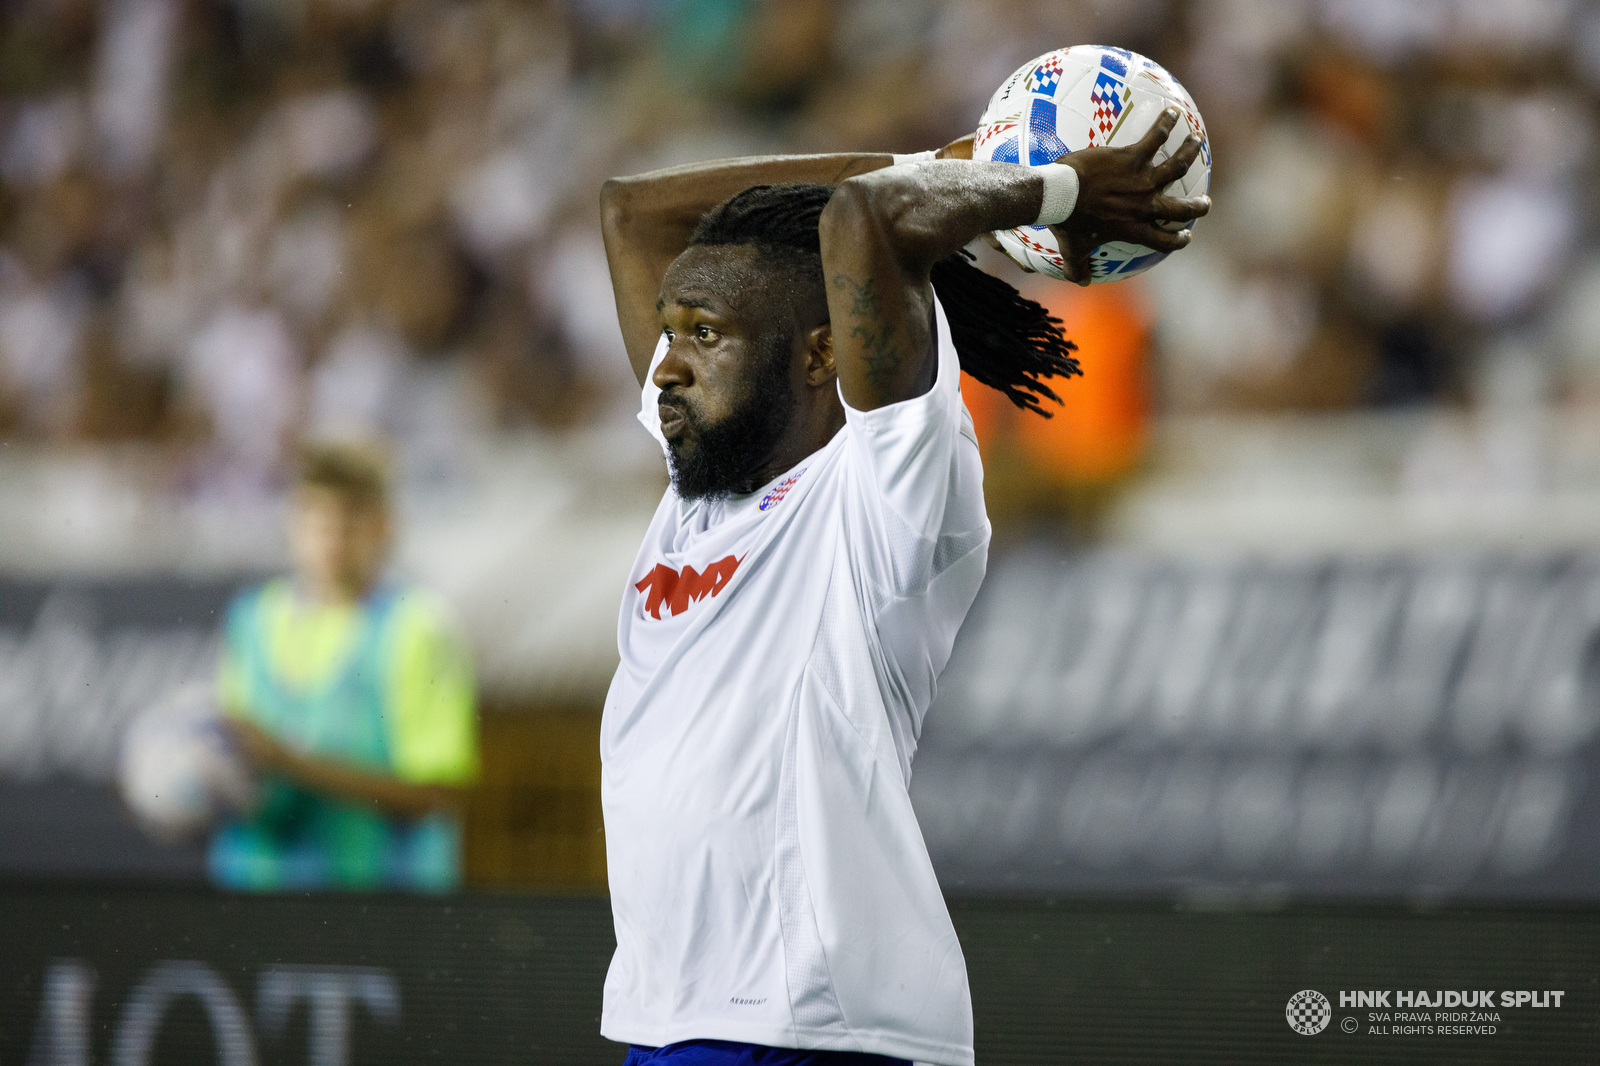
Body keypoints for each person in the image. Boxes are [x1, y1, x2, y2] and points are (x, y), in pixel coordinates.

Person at [597, 109, 1208, 1065]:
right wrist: (943, 161)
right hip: (666, 1014)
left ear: (818, 353)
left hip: (816, 1025)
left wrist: (1052, 187)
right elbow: (631, 213)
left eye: (703, 333)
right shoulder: (700, 481)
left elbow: (861, 225)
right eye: (671, 333)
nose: (665, 367)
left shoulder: (882, 495)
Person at [210, 441, 479, 891]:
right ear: (293, 522)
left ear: (384, 527)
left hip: (376, 920)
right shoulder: (252, 620)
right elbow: (235, 759)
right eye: (317, 520)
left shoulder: (418, 629)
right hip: (256, 912)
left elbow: (438, 793)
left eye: (350, 522)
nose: (332, 541)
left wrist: (292, 763)